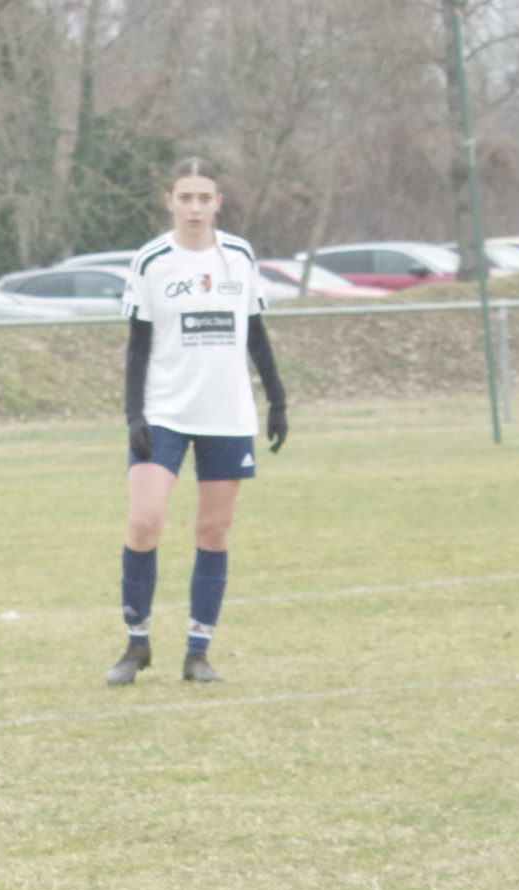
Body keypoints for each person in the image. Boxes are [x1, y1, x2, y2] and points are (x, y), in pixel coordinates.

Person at [105, 157, 289, 687]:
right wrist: (134, 415)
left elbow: (255, 332)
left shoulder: (239, 256)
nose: (194, 207)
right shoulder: (152, 261)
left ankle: (198, 652)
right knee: (144, 522)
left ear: (218, 203)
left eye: (203, 198)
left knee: (213, 530)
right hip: (164, 413)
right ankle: (136, 643)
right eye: (184, 197)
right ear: (169, 201)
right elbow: (138, 346)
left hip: (226, 414)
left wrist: (277, 400)